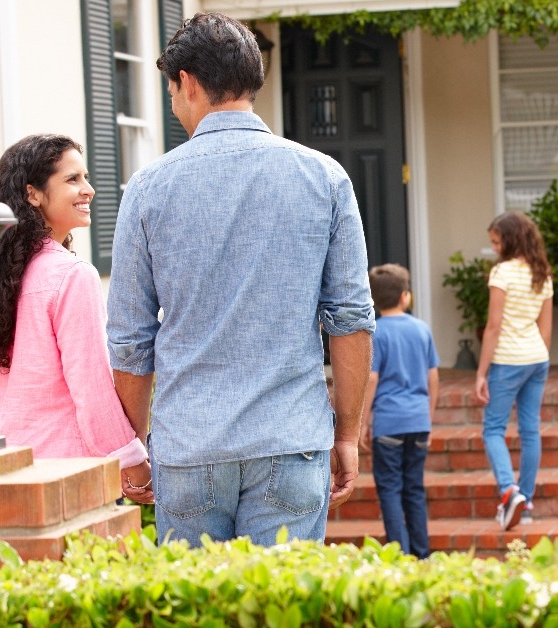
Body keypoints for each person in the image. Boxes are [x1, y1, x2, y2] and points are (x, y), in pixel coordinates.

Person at [106, 12, 374, 547]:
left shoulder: (147, 189)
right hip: (291, 437)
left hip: (189, 446)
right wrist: (347, 433)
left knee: (191, 608)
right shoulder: (324, 176)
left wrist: (134, 446)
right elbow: (351, 321)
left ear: (186, 82)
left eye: (172, 91)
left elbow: (131, 341)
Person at [0, 134, 152, 504]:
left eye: (85, 178)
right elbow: (92, 388)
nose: (88, 190)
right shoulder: (71, 276)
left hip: (13, 464)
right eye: (72, 179)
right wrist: (131, 460)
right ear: (33, 193)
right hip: (72, 472)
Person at [474, 211, 554, 530]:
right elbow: (545, 329)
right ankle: (528, 500)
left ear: (510, 239)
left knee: (493, 429)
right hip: (537, 358)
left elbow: (493, 327)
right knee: (530, 430)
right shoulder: (542, 273)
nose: (494, 248)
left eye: (496, 241)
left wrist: (481, 373)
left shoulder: (502, 273)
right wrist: (538, 357)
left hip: (507, 360)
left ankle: (509, 491)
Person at [359, 264, 439, 558]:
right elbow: (433, 377)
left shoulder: (376, 333)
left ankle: (399, 555)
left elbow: (372, 379)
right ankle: (422, 554)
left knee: (390, 489)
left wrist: (363, 422)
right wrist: (428, 418)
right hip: (418, 420)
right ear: (405, 296)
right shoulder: (422, 329)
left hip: (389, 424)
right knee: (414, 489)